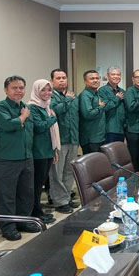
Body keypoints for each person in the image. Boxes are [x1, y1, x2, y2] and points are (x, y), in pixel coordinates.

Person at [0, 76, 41, 241]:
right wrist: (23, 117)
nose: (18, 91)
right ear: (6, 90)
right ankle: (8, 227)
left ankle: (23, 221)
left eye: (21, 88)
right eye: (14, 88)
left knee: (26, 194)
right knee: (7, 196)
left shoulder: (26, 107)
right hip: (7, 159)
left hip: (26, 157)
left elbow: (31, 131)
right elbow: (8, 125)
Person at [27, 80, 61, 221]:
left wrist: (54, 150)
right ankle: (35, 212)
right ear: (36, 91)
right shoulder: (32, 107)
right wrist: (52, 118)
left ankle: (38, 210)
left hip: (47, 150)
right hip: (38, 151)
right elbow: (39, 127)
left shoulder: (46, 106)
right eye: (43, 90)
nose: (47, 93)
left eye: (49, 90)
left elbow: (50, 133)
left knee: (40, 182)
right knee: (36, 184)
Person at [50, 69, 79, 212]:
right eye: (58, 78)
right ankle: (59, 202)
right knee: (57, 173)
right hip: (59, 141)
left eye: (64, 78)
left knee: (69, 171)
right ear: (52, 81)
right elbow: (55, 111)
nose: (62, 80)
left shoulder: (72, 95)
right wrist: (67, 100)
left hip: (73, 139)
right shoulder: (50, 96)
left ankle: (66, 197)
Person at [78, 70, 105, 154]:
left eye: (97, 78)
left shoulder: (96, 94)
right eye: (92, 78)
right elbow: (88, 114)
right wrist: (100, 107)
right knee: (92, 165)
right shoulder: (85, 95)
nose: (95, 80)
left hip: (99, 137)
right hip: (90, 139)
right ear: (85, 82)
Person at [98, 66, 126, 143]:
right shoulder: (102, 90)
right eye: (113, 74)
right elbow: (105, 107)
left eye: (118, 74)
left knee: (119, 153)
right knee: (109, 153)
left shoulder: (122, 91)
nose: (116, 76)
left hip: (121, 128)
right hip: (109, 129)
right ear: (108, 76)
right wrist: (117, 98)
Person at [124, 69, 139, 170]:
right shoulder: (130, 91)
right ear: (133, 79)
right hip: (133, 129)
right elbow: (131, 107)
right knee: (134, 157)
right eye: (137, 77)